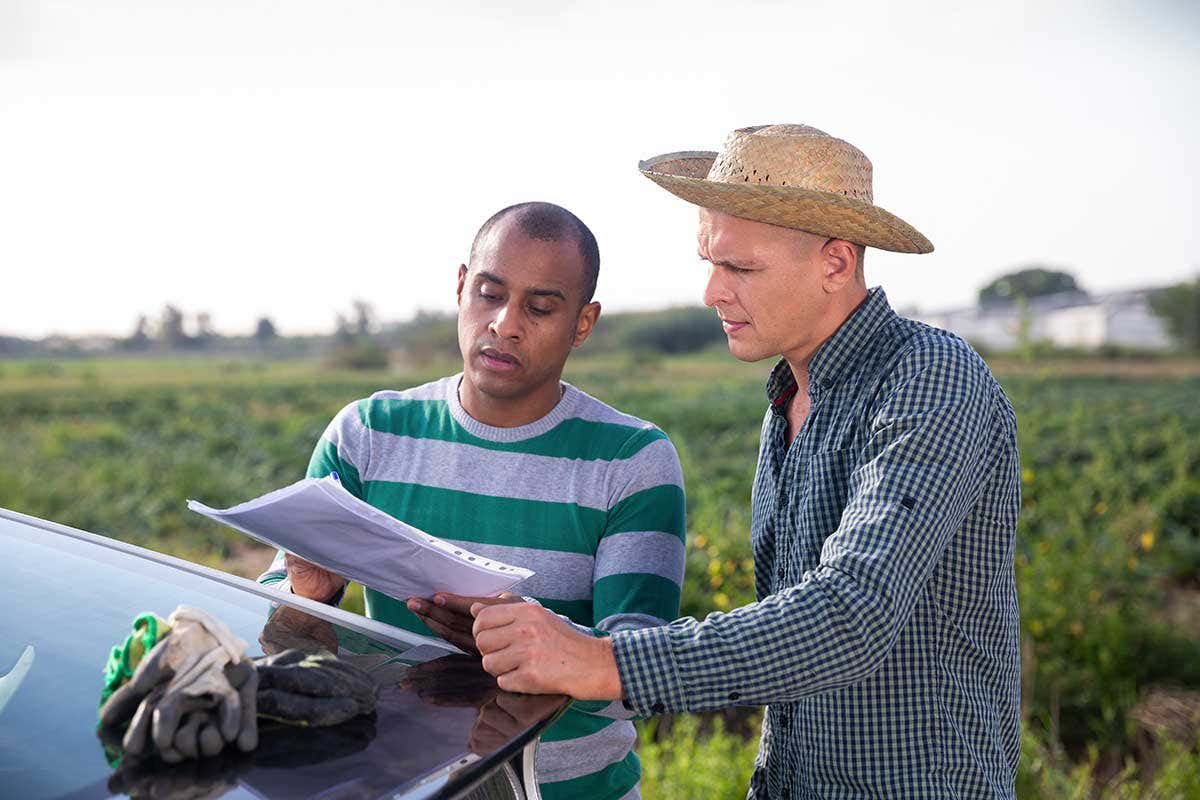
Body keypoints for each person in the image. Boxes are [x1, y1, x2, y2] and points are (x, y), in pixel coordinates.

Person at [459, 126, 1022, 799]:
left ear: (836, 263)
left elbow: (853, 612)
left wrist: (600, 660)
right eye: (709, 261)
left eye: (740, 268)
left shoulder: (931, 377)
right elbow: (794, 646)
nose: (712, 292)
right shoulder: (788, 399)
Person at [259, 201, 687, 800]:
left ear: (582, 324)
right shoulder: (367, 435)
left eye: (541, 307)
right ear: (461, 287)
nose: (505, 324)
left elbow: (643, 670)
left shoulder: (632, 460)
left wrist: (523, 637)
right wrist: (309, 596)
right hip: (405, 784)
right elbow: (278, 643)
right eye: (490, 294)